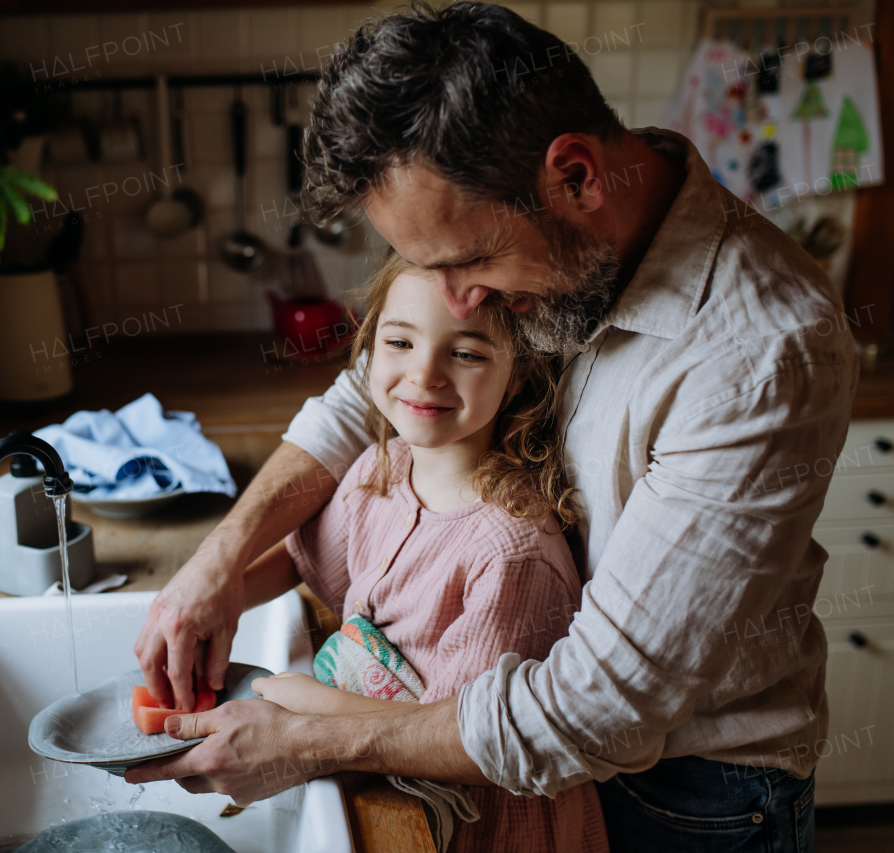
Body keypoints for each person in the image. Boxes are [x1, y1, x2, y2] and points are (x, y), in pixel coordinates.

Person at [126, 4, 856, 851]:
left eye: (465, 265)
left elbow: (596, 709)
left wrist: (308, 739)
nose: (459, 304)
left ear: (576, 178)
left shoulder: (759, 351)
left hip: (694, 798)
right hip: (528, 749)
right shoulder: (560, 245)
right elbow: (364, 397)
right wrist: (216, 562)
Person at [240, 249, 608, 852]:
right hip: (399, 786)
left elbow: (459, 741)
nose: (425, 375)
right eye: (400, 343)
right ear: (369, 349)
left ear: (517, 373)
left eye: (465, 353)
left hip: (485, 820)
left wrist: (308, 707)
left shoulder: (509, 552)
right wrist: (224, 596)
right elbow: (307, 557)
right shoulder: (380, 468)